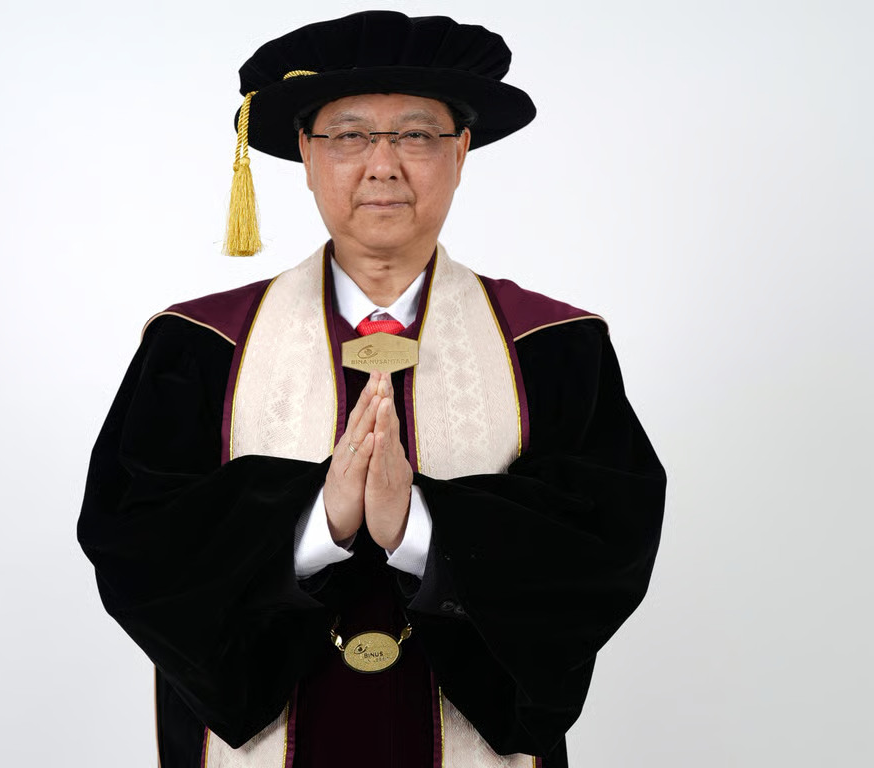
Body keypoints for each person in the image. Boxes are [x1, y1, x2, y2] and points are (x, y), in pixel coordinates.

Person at [78, 10, 665, 768]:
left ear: (460, 152)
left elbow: (605, 550)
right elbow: (136, 548)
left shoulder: (552, 344)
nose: (382, 165)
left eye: (416, 135)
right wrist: (315, 521)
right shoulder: (197, 345)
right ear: (305, 152)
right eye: (349, 135)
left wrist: (419, 524)